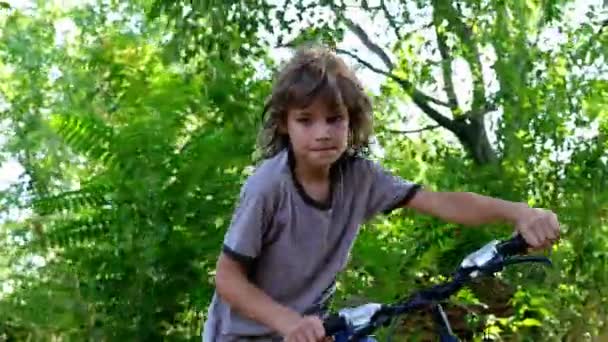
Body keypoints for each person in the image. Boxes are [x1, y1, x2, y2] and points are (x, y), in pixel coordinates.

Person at [202, 45, 560, 342]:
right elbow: (228, 278)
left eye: (335, 119)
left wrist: (520, 212)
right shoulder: (269, 186)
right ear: (284, 123)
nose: (322, 132)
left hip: (312, 333)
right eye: (306, 120)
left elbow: (440, 201)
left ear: (352, 120)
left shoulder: (360, 177)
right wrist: (288, 323)